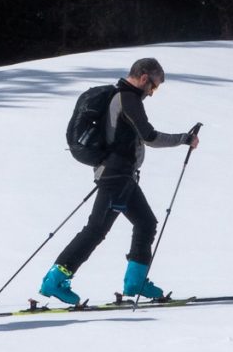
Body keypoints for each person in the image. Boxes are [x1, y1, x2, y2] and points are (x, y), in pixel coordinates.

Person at [39, 58, 199, 305]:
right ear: (144, 77)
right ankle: (56, 279)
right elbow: (149, 136)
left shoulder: (123, 97)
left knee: (145, 223)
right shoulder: (128, 98)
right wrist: (184, 139)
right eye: (154, 87)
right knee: (96, 229)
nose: (152, 93)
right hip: (115, 175)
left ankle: (135, 282)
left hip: (122, 175)